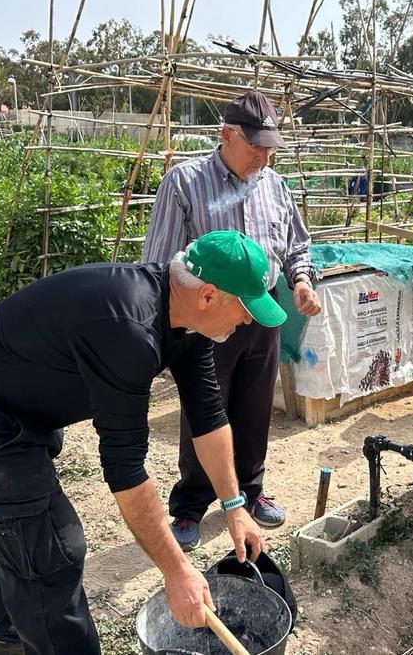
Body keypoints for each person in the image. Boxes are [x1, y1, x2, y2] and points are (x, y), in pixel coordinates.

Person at [0, 230, 278, 655]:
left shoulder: (188, 323)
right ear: (210, 296)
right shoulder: (128, 332)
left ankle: (8, 640)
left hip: (16, 410)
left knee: (17, 532)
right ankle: (17, 638)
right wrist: (177, 572)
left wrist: (234, 507)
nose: (249, 321)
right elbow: (125, 470)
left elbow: (209, 418)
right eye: (245, 308)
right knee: (52, 550)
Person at [142, 90, 322, 551]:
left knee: (255, 402)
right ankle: (192, 502)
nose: (264, 156)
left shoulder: (275, 186)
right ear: (226, 135)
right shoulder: (184, 183)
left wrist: (300, 280)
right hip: (208, 317)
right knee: (206, 406)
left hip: (259, 311)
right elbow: (160, 261)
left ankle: (251, 488)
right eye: (255, 145)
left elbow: (297, 245)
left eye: (269, 147)